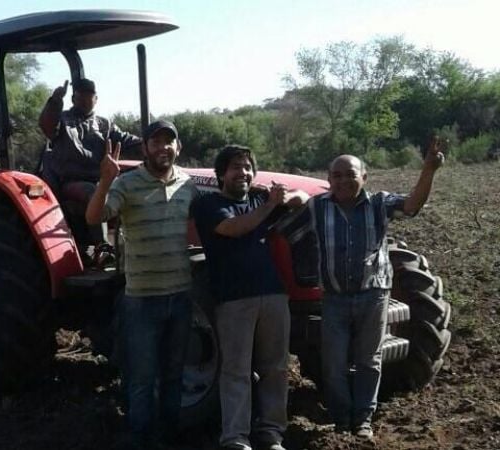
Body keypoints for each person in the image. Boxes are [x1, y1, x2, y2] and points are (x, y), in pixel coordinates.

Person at [277, 139, 446, 439]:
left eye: (350, 174)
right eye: (337, 175)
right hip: (334, 298)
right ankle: (342, 420)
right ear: (329, 181)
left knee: (370, 361)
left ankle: (363, 420)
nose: (343, 180)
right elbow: (286, 225)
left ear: (364, 177)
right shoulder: (318, 206)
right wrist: (285, 197)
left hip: (373, 294)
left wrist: (429, 171)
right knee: (333, 364)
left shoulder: (379, 203)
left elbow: (411, 205)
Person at [85, 120, 198, 448]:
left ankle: (168, 436)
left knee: (174, 374)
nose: (163, 147)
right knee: (142, 378)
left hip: (180, 296)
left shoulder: (188, 184)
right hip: (142, 300)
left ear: (178, 148)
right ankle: (139, 437)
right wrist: (105, 182)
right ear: (145, 147)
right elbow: (95, 217)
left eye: (169, 142)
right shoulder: (127, 184)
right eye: (156, 142)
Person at [191, 145, 308, 450]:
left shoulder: (259, 199)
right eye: (234, 167)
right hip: (233, 300)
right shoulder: (209, 204)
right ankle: (235, 437)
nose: (242, 172)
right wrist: (271, 205)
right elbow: (233, 228)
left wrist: (287, 196)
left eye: (247, 167)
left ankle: (271, 433)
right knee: (236, 370)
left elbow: (305, 200)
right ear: (221, 174)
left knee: (276, 368)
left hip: (273, 294)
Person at [39, 78, 140, 256]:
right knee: (96, 192)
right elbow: (47, 125)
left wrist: (151, 143)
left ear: (96, 98)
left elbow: (127, 141)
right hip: (71, 182)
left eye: (89, 96)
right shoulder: (62, 121)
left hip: (101, 179)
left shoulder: (104, 124)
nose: (85, 100)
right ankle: (103, 247)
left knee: (133, 186)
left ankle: (137, 244)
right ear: (73, 99)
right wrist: (55, 100)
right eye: (80, 96)